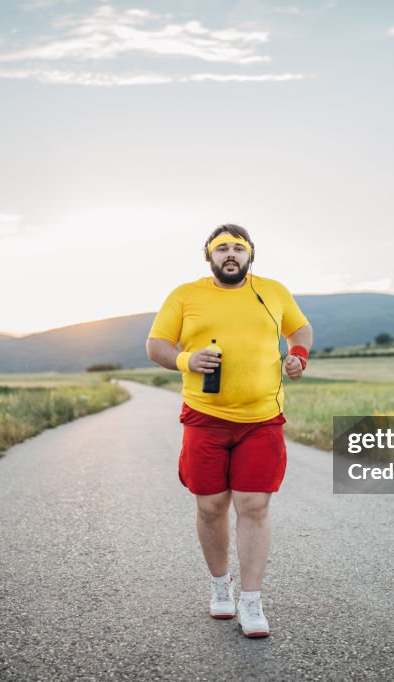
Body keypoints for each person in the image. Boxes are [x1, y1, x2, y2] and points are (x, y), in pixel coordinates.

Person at [145, 224, 313, 638]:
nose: (231, 253)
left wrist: (298, 355)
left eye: (238, 247)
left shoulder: (273, 290)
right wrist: (187, 360)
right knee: (211, 506)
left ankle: (252, 601)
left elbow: (300, 330)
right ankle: (221, 586)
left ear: (251, 254)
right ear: (210, 256)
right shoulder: (186, 294)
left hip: (262, 419)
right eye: (222, 248)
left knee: (254, 505)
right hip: (205, 417)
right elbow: (157, 344)